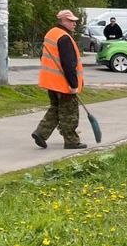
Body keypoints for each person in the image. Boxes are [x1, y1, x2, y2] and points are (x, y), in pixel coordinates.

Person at [32, 9, 88, 150]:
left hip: (51, 82)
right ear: (62, 21)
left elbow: (42, 56)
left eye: (74, 21)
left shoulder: (51, 34)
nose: (74, 24)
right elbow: (69, 64)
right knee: (69, 113)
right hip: (63, 84)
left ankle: (40, 133)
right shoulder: (64, 38)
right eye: (71, 21)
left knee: (56, 109)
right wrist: (73, 84)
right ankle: (71, 141)